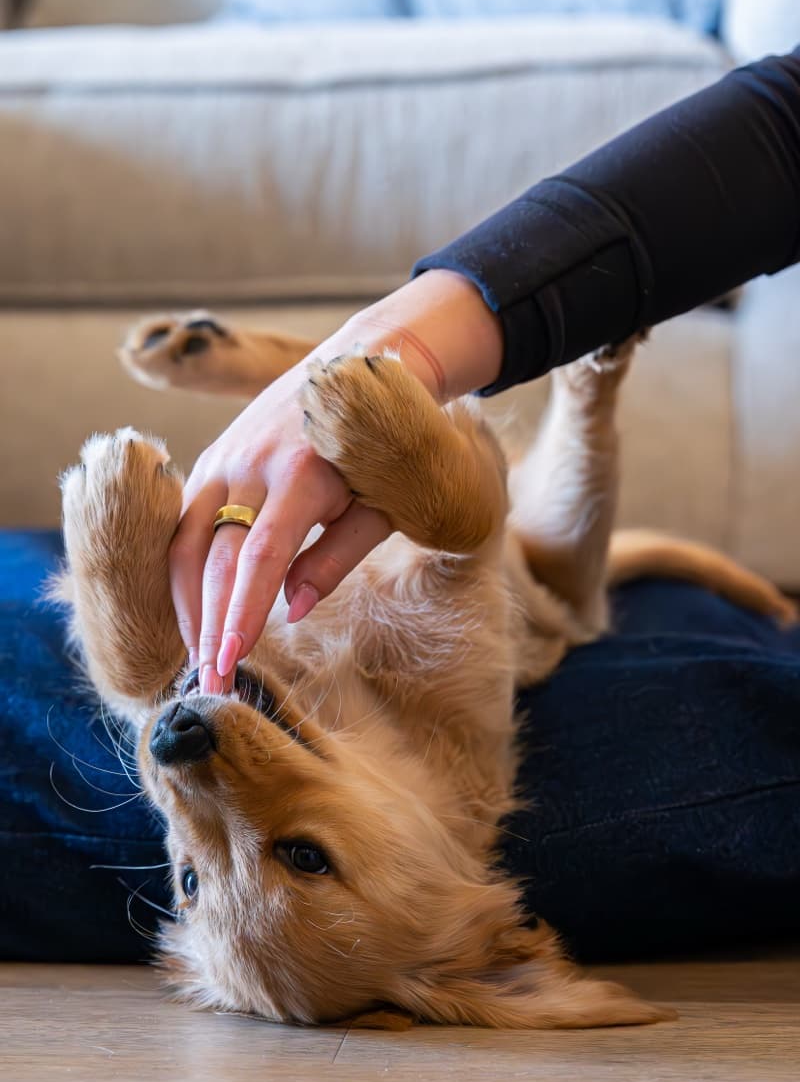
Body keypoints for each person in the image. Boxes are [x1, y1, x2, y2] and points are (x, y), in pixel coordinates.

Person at [3, 47, 799, 963]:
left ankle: (303, 381)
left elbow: (148, 691)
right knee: (550, 561)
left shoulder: (214, 739)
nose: (193, 775)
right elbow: (464, 533)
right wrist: (408, 425)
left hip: (354, 459)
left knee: (161, 661)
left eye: (190, 879)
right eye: (302, 856)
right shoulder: (452, 764)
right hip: (519, 557)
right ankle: (589, 376)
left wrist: (121, 593)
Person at [169, 46, 800, 696]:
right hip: (522, 569)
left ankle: (339, 383)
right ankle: (586, 379)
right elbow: (784, 129)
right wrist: (391, 345)